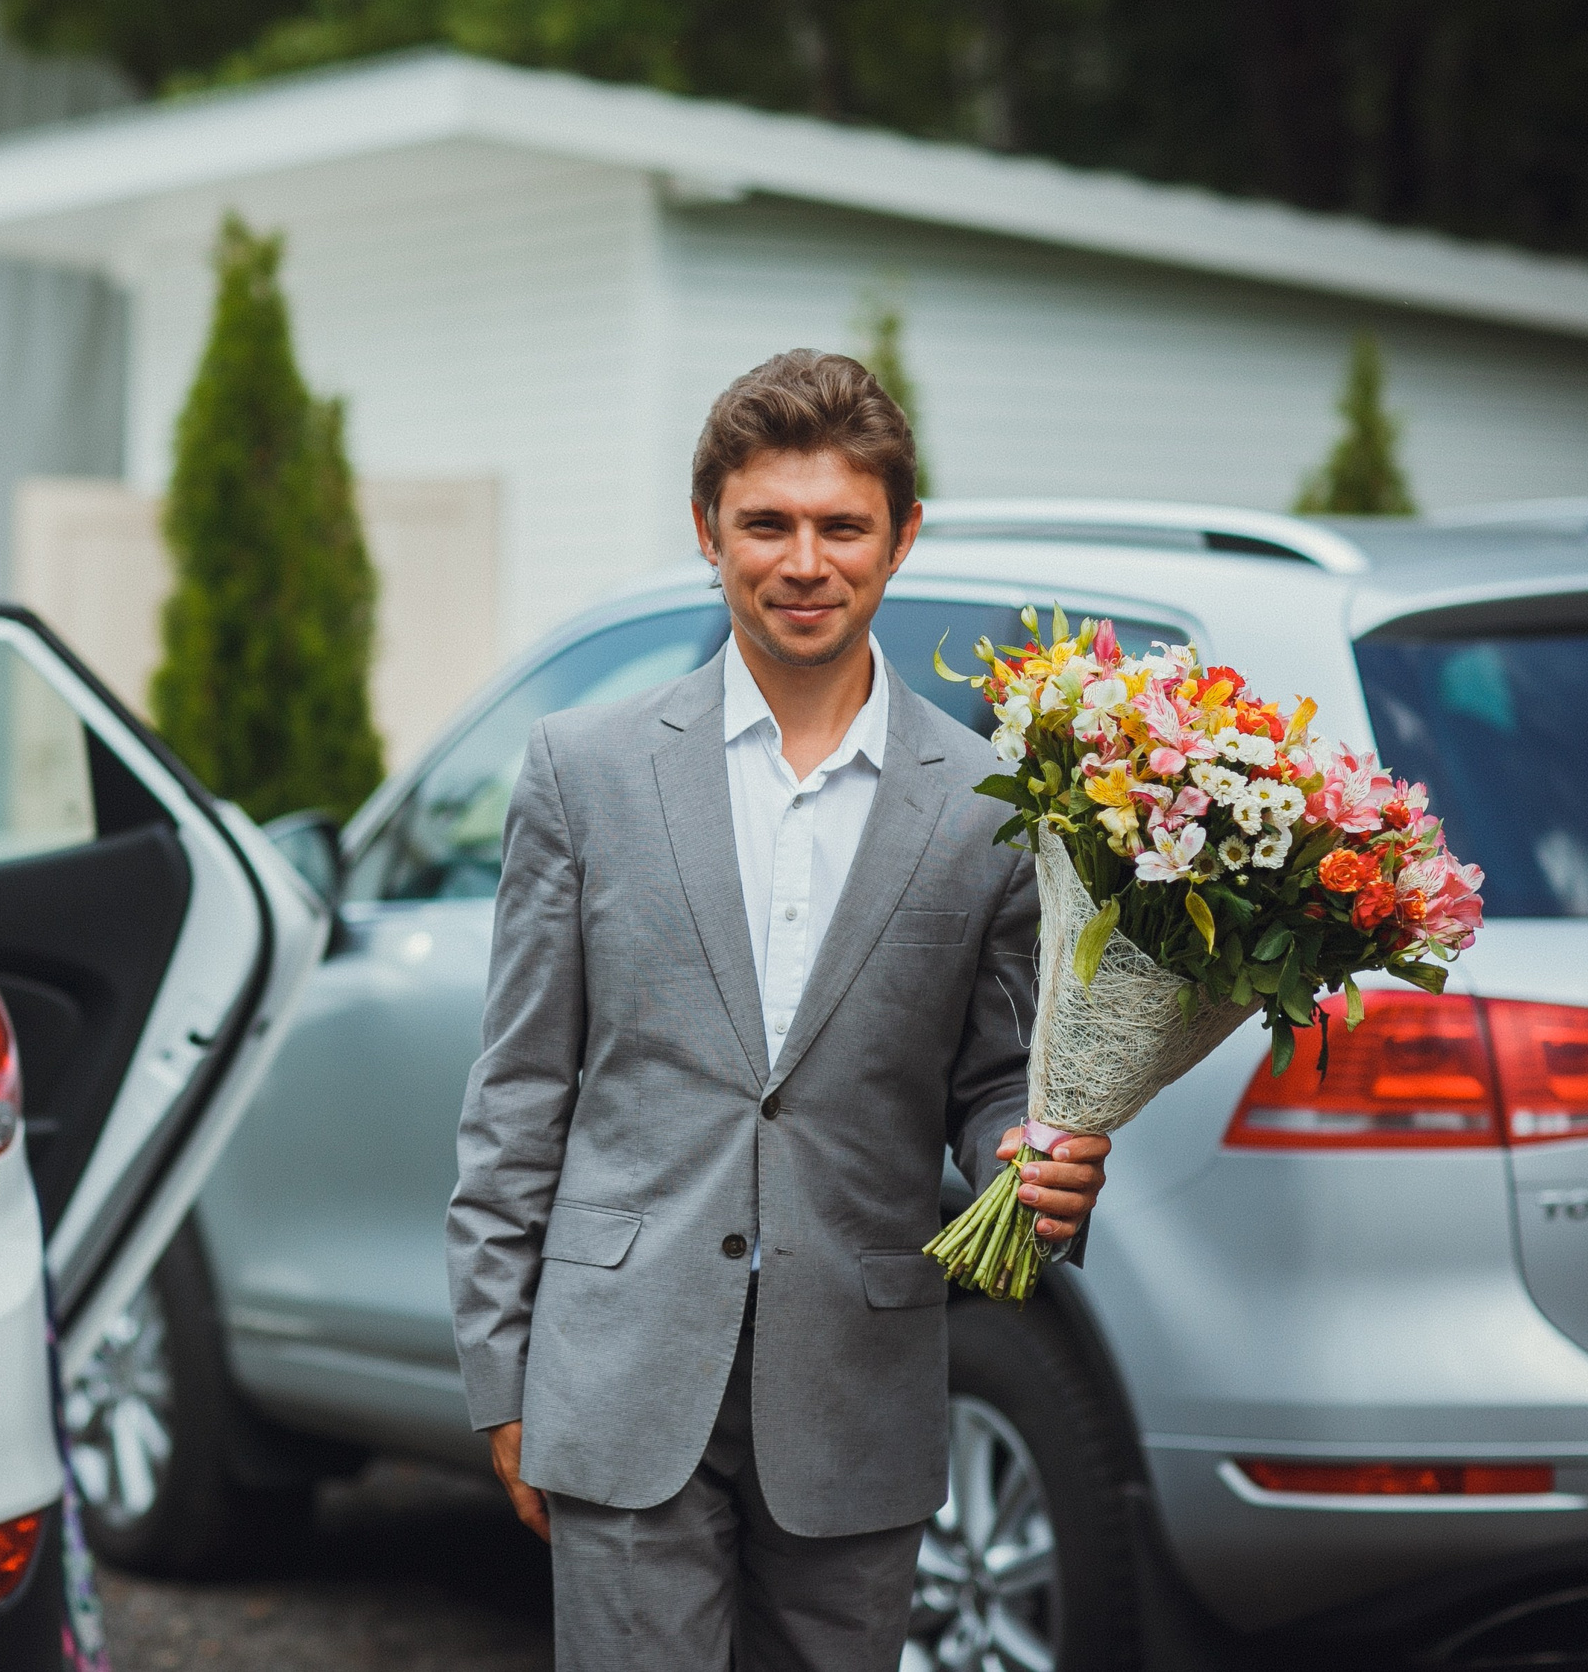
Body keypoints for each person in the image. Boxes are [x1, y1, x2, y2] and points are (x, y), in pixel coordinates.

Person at [445, 349, 1112, 1669]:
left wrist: (1033, 1165)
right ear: (709, 532)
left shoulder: (989, 808)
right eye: (767, 523)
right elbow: (517, 1091)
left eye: (842, 526)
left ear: (900, 538)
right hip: (620, 1375)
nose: (805, 562)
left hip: (858, 1386)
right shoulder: (584, 772)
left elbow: (994, 1080)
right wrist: (501, 1370)